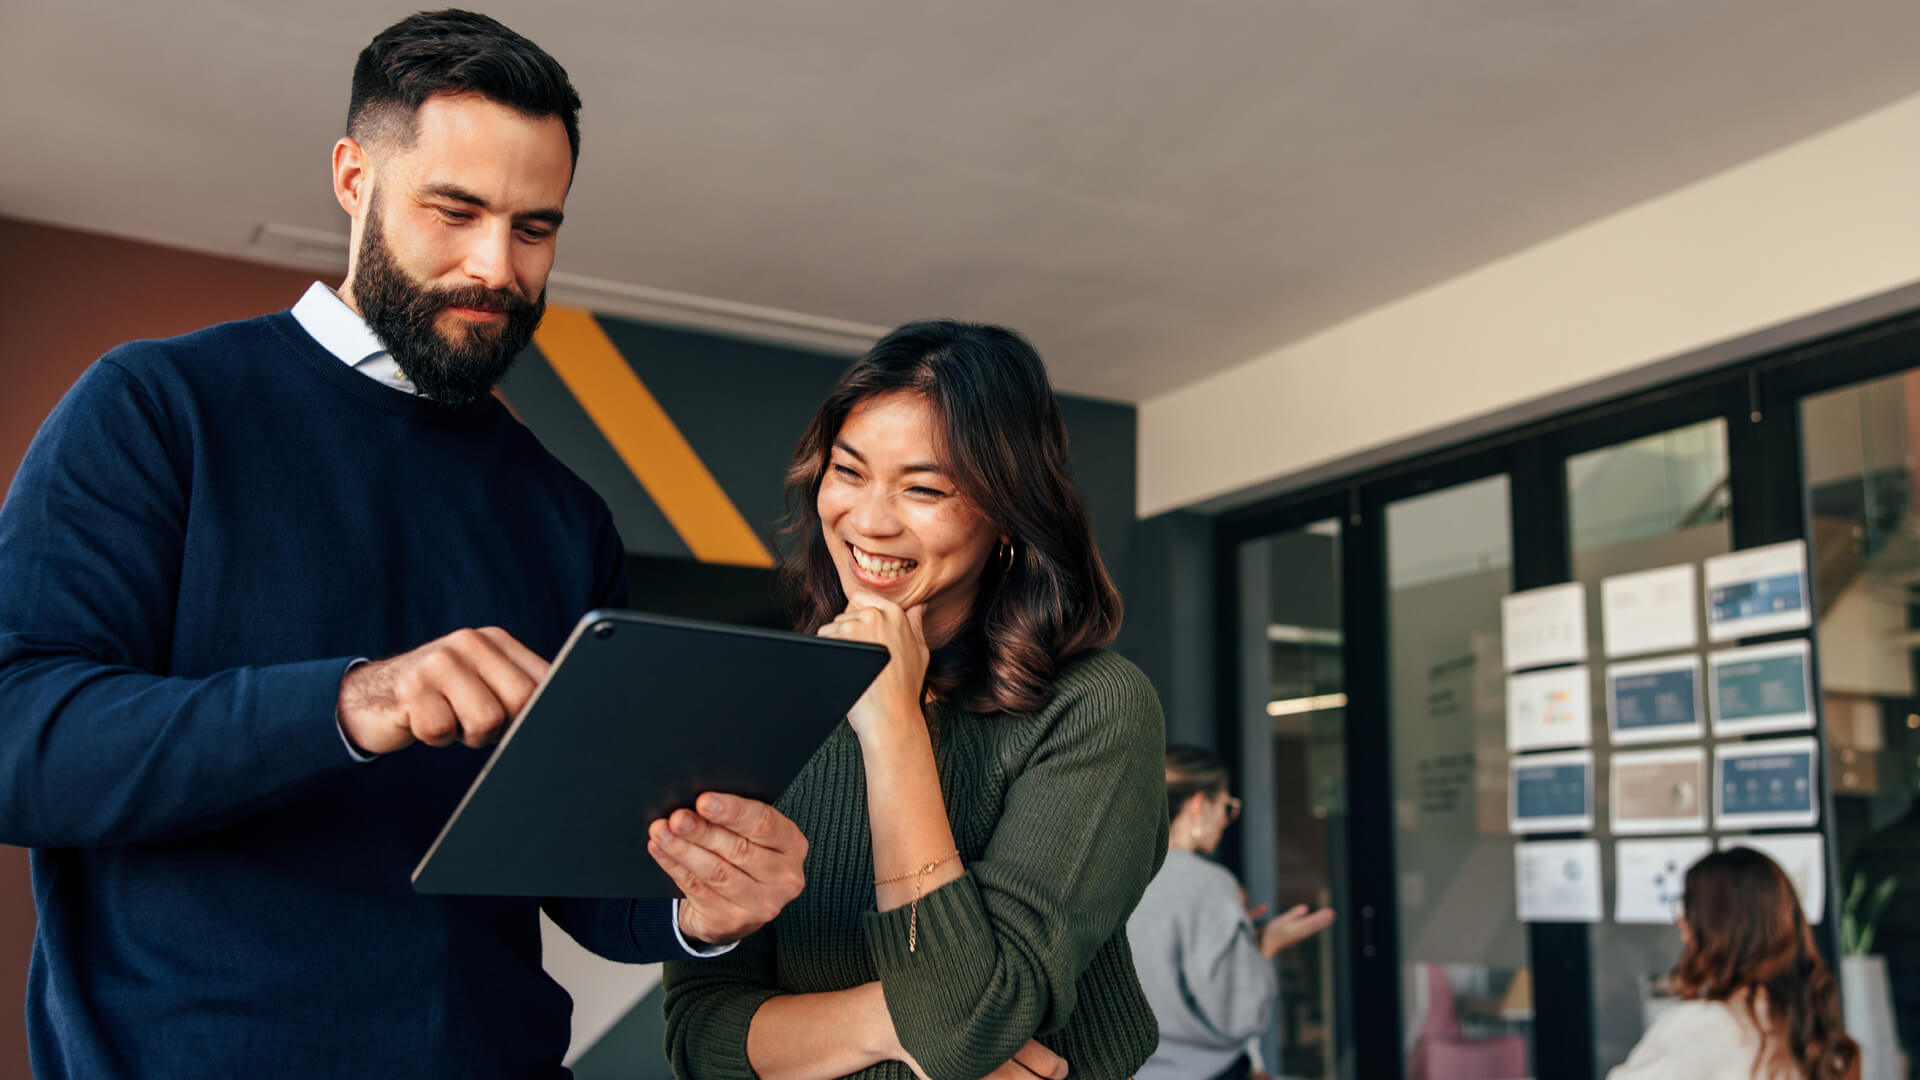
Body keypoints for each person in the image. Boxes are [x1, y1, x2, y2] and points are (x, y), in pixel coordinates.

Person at [0, 11, 806, 1077]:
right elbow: (20, 744)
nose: (496, 266)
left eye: (534, 227)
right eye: (456, 210)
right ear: (353, 178)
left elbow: (586, 881)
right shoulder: (159, 408)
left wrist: (707, 904)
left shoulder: (563, 517)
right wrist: (354, 701)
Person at [661, 320, 1169, 1079]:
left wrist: (891, 721)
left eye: (924, 488)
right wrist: (885, 1023)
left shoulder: (1093, 709)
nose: (869, 519)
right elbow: (702, 1033)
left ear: (1006, 514)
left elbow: (965, 1023)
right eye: (849, 471)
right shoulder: (757, 702)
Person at [1127, 745, 1335, 1080]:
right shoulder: (1208, 884)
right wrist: (1266, 947)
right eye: (1227, 806)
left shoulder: (1114, 878)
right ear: (1198, 805)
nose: (1226, 819)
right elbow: (1242, 1014)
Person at [1606, 847, 1860, 1080]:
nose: (1681, 922)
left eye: (1691, 909)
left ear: (1718, 928)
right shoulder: (1809, 1030)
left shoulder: (1704, 1026)